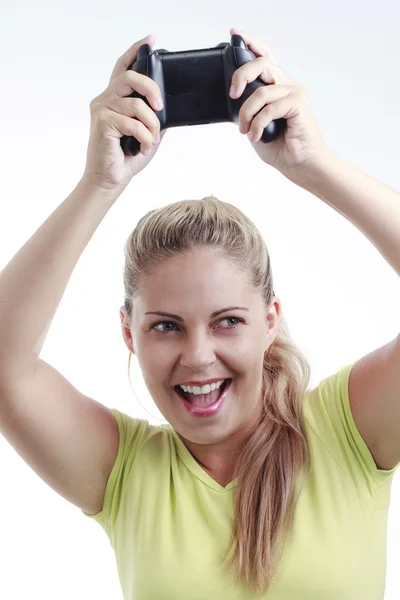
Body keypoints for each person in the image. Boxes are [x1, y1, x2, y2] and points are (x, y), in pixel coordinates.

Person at [0, 27, 399, 600]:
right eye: (165, 326)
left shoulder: (348, 432)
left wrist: (313, 164)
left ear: (271, 320)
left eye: (227, 321)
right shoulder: (127, 475)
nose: (198, 356)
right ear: (128, 334)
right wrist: (99, 183)